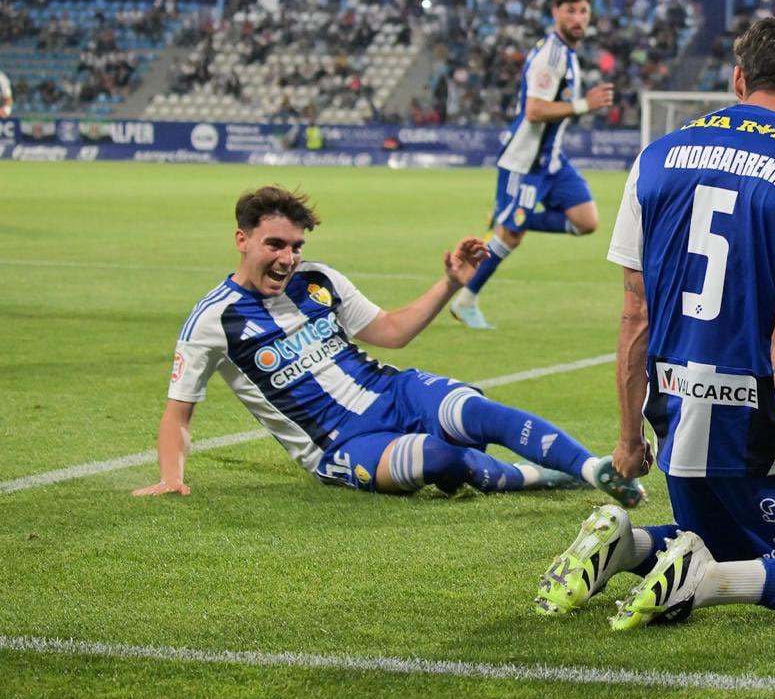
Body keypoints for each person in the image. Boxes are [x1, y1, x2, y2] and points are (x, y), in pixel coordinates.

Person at [534, 14, 775, 629]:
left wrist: (628, 438)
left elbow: (634, 313)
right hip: (762, 431)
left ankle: (629, 548)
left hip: (676, 425)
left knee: (740, 545)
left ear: (739, 79)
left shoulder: (655, 159)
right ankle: (707, 582)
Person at [135, 185, 644, 504]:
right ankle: (531, 477)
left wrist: (451, 283)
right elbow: (178, 412)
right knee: (441, 459)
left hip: (393, 392)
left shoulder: (318, 280)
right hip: (340, 445)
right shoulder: (213, 320)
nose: (288, 258)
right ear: (242, 239)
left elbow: (393, 331)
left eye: (295, 246)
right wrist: (170, 476)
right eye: (275, 245)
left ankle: (593, 470)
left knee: (479, 413)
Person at [450, 0, 614, 329]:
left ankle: (508, 214)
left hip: (552, 160)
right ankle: (466, 300)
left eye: (583, 11)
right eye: (570, 10)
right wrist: (586, 104)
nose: (577, 17)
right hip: (525, 163)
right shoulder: (550, 56)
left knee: (586, 221)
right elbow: (535, 110)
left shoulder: (568, 54)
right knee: (510, 237)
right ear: (555, 13)